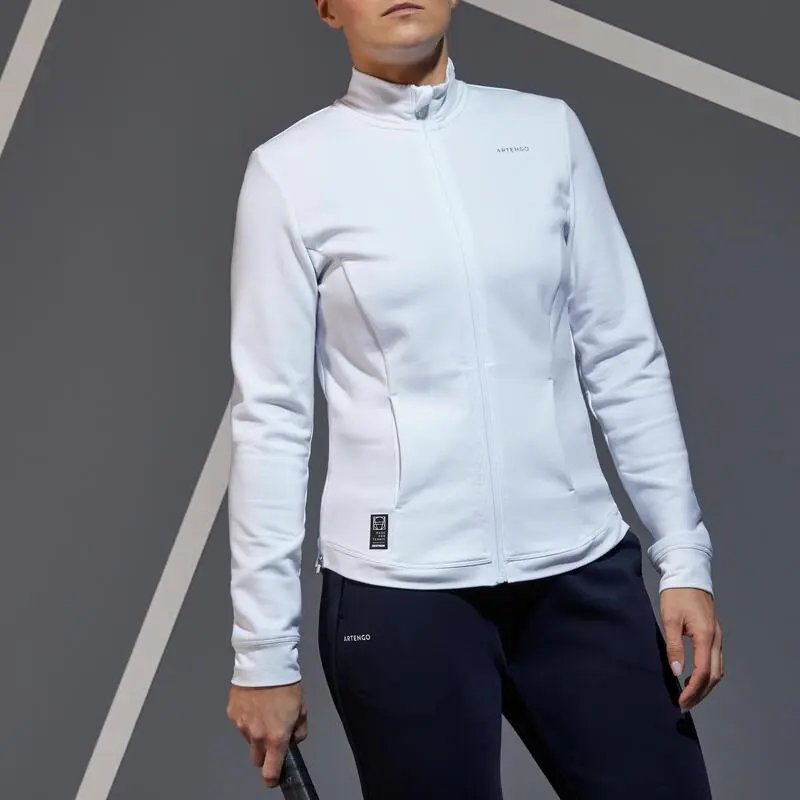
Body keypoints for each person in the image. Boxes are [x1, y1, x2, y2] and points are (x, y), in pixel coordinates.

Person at [225, 1, 724, 797]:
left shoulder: (546, 133)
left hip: (579, 574)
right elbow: (272, 421)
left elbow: (624, 354)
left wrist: (683, 556)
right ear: (327, 7)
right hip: (398, 601)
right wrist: (262, 653)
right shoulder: (291, 171)